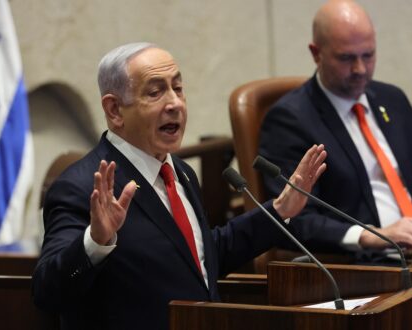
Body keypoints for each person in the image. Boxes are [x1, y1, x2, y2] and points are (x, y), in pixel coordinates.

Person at [32, 42, 327, 329]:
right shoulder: (81, 187)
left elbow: (200, 257)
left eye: (178, 88)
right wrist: (95, 243)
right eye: (156, 92)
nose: (174, 103)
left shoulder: (181, 172)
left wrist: (279, 210)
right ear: (115, 110)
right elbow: (48, 292)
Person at [259, 0, 412, 261]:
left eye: (368, 55)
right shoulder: (291, 119)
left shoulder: (394, 100)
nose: (360, 69)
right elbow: (294, 218)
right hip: (364, 265)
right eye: (346, 58)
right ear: (316, 53)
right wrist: (369, 236)